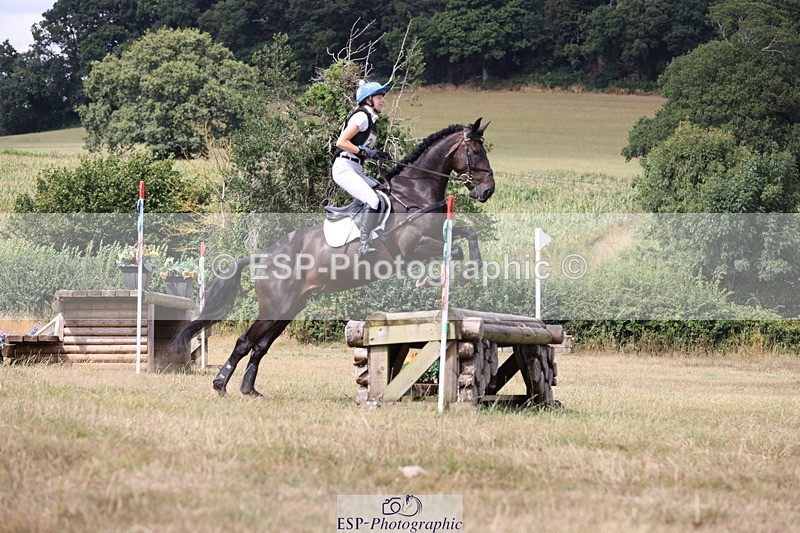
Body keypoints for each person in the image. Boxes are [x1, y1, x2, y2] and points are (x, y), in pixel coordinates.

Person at [332, 80, 393, 255]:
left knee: (383, 191)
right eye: (379, 97)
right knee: (372, 200)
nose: (382, 100)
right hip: (344, 168)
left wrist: (377, 153)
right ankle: (363, 245)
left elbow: (361, 146)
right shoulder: (361, 116)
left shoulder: (371, 119)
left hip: (355, 168)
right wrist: (365, 152)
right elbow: (341, 142)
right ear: (368, 100)